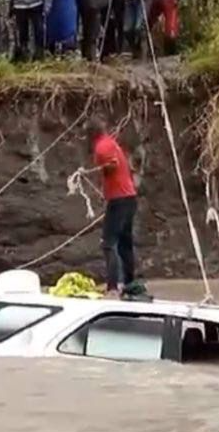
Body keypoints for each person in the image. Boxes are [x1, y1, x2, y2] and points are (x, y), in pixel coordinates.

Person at [84, 118, 137, 298]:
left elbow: (112, 164)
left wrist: (95, 171)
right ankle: (129, 283)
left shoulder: (101, 146)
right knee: (124, 244)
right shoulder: (111, 142)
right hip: (129, 197)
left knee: (108, 243)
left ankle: (113, 287)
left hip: (119, 200)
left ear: (91, 134)